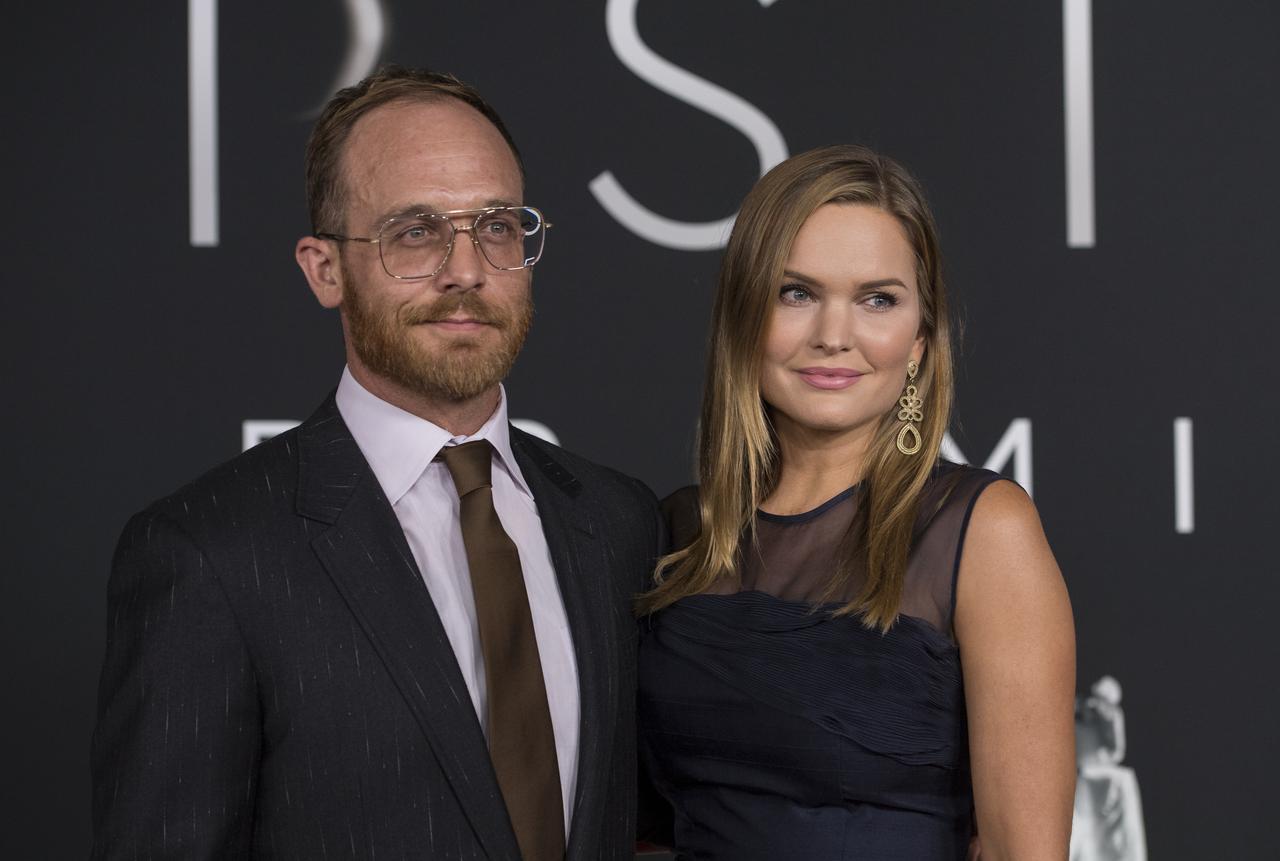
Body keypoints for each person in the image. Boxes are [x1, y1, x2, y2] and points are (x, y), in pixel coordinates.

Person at [91, 66, 662, 860]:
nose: (467, 270)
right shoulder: (209, 552)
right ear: (324, 269)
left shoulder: (620, 521)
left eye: (497, 226)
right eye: (415, 232)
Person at [636, 145, 1076, 859]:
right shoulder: (676, 529)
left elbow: (1020, 850)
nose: (833, 337)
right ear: (743, 315)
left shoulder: (979, 530)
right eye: (796, 293)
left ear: (920, 341)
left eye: (878, 299)